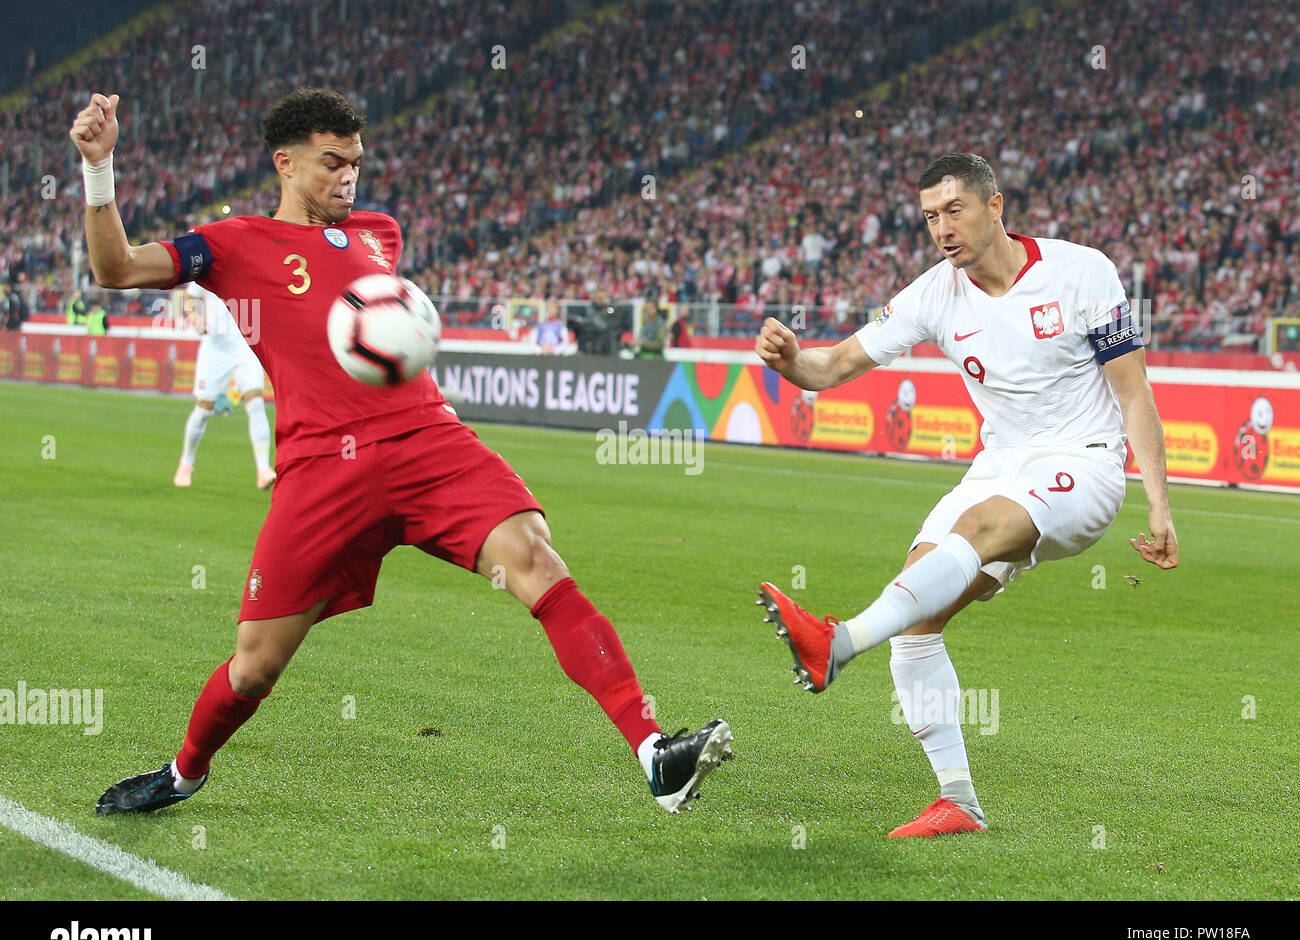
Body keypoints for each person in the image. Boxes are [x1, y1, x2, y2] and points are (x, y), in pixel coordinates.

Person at [72, 88, 731, 816]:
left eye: (356, 162)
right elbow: (117, 269)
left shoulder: (380, 232)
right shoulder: (232, 245)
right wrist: (99, 169)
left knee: (538, 558)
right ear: (284, 164)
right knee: (256, 666)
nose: (349, 177)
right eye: (332, 163)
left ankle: (653, 754)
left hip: (427, 439)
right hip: (322, 468)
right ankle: (184, 772)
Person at [754, 152, 1178, 838]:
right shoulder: (933, 293)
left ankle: (836, 643)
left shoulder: (1081, 272)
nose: (942, 228)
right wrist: (789, 361)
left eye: (954, 210)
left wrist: (1159, 503)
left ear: (995, 205)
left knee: (976, 528)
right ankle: (959, 800)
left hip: (1085, 464)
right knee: (916, 615)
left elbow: (1134, 393)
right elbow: (830, 365)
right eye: (929, 217)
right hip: (999, 464)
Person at [173, 282, 277, 490]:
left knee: (255, 403)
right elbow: (189, 298)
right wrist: (196, 318)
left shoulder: (253, 264)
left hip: (247, 344)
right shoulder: (209, 261)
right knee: (204, 410)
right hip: (216, 346)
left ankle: (263, 469)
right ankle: (186, 462)